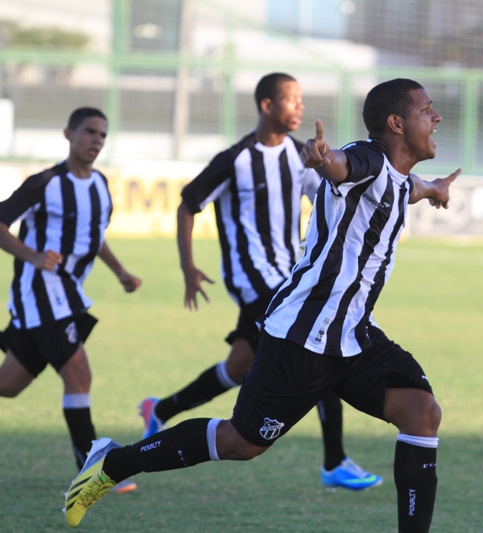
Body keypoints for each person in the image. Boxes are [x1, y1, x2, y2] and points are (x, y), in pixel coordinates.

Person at [64, 79, 459, 532]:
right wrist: (324, 160)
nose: (437, 117)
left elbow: (403, 186)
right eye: (427, 109)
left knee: (422, 413)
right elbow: (345, 166)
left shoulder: (394, 176)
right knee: (241, 443)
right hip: (302, 335)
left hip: (353, 334)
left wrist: (433, 189)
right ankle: (112, 463)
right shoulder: (366, 160)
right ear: (396, 123)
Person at [137, 72, 380, 490]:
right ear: (267, 106)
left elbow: (324, 193)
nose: (299, 107)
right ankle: (334, 461)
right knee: (317, 345)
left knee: (241, 364)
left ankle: (159, 408)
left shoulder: (295, 153)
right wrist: (188, 268)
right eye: (291, 100)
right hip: (254, 281)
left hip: (289, 277)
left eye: (302, 99)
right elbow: (187, 204)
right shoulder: (235, 159)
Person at [0, 107, 141, 494]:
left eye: (103, 135)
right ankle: (93, 471)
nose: (96, 140)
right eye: (90, 132)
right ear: (69, 134)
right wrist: (31, 255)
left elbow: (93, 237)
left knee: (9, 385)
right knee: (79, 373)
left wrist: (120, 272)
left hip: (69, 295)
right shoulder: (44, 183)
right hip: (41, 293)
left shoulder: (100, 185)